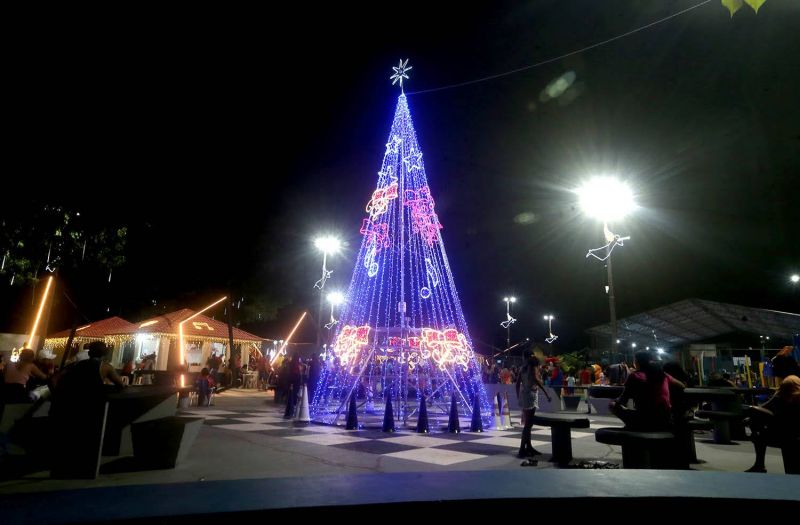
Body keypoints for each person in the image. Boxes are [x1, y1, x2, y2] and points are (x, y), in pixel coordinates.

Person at [609, 351, 685, 432]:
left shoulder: (634, 376)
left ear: (636, 362)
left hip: (644, 419)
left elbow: (623, 401)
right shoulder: (662, 374)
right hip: (664, 418)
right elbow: (681, 386)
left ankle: (632, 426)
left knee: (612, 405)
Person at [744, 374, 800, 473]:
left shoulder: (784, 389)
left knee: (757, 427)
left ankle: (759, 464)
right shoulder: (795, 389)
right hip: (794, 433)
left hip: (784, 434)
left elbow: (766, 406)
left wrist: (750, 415)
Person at [515, 349, 551, 460]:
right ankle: (522, 449)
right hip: (531, 394)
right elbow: (536, 380)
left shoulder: (522, 368)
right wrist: (546, 394)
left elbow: (517, 384)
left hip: (524, 394)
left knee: (528, 424)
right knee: (528, 424)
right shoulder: (533, 366)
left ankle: (528, 447)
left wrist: (518, 397)